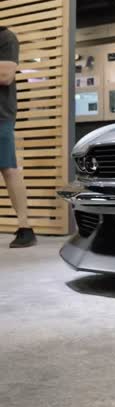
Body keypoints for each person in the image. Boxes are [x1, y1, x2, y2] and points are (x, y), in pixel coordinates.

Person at [0, 25, 36, 248]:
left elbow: (5, 75)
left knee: (8, 168)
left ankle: (26, 227)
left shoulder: (5, 37)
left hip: (0, 115)